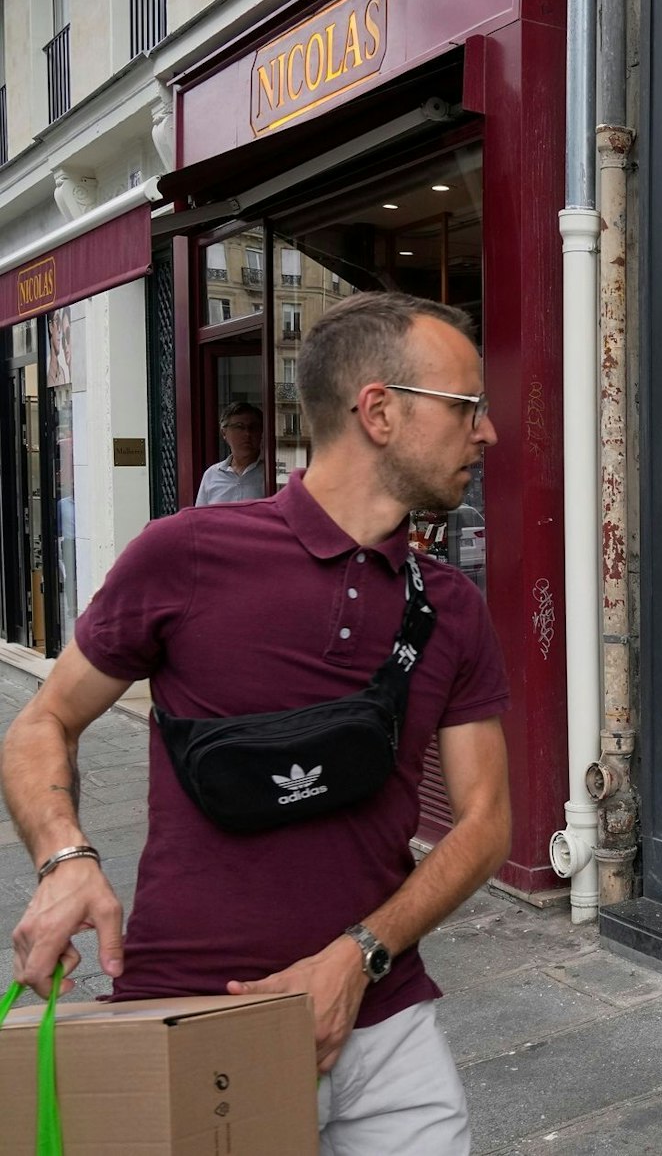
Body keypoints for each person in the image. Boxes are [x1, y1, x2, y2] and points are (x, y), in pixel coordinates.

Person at [3, 293, 511, 1155]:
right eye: (468, 405)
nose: (488, 432)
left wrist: (359, 955)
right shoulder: (186, 552)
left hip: (385, 1023)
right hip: (188, 1018)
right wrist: (64, 859)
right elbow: (44, 718)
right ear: (379, 411)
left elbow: (488, 823)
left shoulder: (454, 607)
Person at [194, 401, 267, 505]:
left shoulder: (269, 473)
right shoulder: (212, 475)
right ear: (224, 433)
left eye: (253, 427)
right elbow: (200, 517)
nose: (247, 434)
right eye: (239, 427)